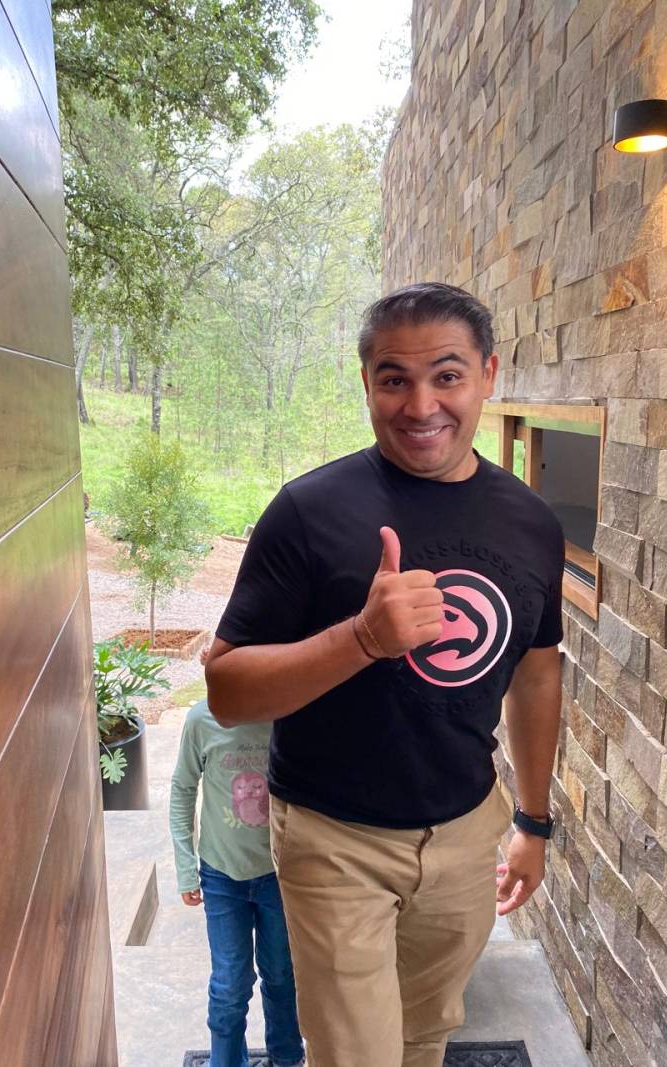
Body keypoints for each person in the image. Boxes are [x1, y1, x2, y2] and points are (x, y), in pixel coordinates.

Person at [204, 282, 564, 1067]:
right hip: (334, 837)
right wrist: (363, 638)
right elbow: (226, 691)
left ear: (488, 374)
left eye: (447, 375)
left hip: (464, 833)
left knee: (423, 1037)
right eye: (395, 378)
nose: (421, 404)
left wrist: (533, 821)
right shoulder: (309, 511)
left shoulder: (532, 522)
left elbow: (537, 675)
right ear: (366, 383)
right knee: (355, 1054)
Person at [170, 684, 305, 1067]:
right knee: (230, 982)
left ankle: (287, 1056)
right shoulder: (202, 720)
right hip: (221, 876)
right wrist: (185, 867)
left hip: (277, 874)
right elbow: (182, 788)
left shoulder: (286, 719)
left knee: (281, 973)